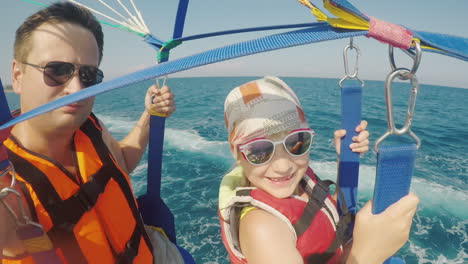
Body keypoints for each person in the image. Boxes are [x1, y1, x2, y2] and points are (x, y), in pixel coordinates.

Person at [0, 2, 185, 263]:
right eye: (57, 70)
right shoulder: (6, 179)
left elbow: (120, 162)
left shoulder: (89, 126)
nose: (76, 88)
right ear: (17, 75)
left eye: (88, 75)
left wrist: (149, 115)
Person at [218, 76, 419, 264]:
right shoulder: (262, 228)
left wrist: (346, 159)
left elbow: (322, 213)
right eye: (259, 151)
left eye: (297, 142)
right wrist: (368, 253)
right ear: (236, 153)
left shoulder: (297, 182)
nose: (283, 166)